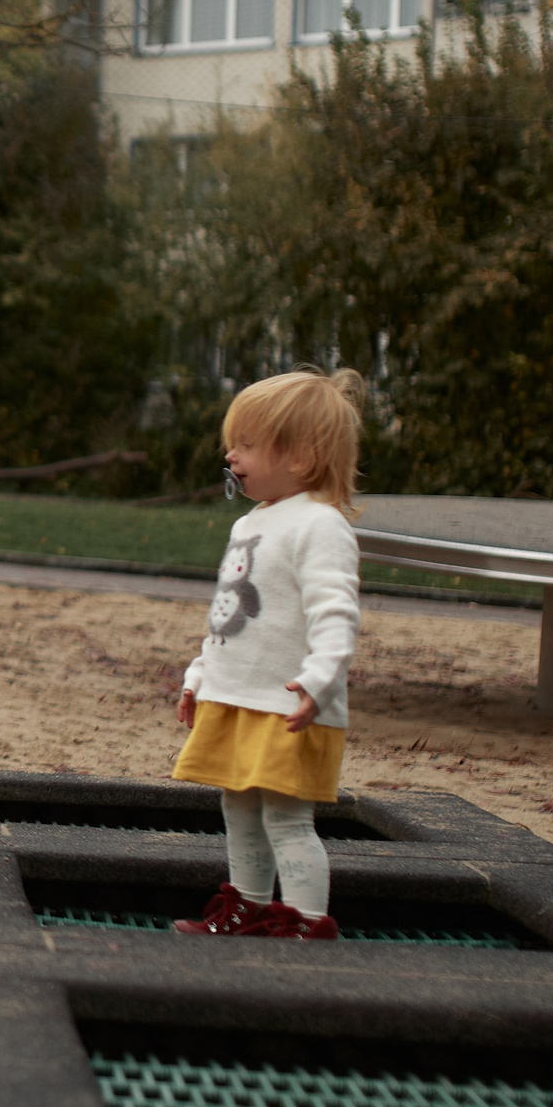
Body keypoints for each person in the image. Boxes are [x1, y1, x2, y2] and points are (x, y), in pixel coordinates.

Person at [168, 368, 364, 940]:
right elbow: (231, 615)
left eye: (247, 444)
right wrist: (201, 675)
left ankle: (307, 921)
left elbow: (335, 612)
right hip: (238, 697)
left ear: (301, 456)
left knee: (286, 818)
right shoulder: (252, 521)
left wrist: (319, 680)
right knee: (239, 808)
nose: (231, 455)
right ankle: (248, 908)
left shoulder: (320, 525)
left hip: (287, 704)